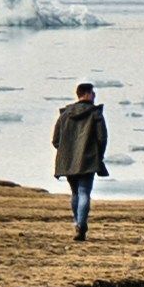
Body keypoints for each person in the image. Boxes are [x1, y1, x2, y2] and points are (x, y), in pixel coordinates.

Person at [49, 81, 110, 236]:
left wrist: (67, 152)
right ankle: (81, 225)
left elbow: (55, 140)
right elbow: (102, 138)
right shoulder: (95, 113)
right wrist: (97, 155)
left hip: (68, 160)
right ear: (87, 94)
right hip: (88, 159)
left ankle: (77, 222)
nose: (94, 95)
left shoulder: (65, 114)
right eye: (93, 93)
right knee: (84, 192)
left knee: (75, 193)